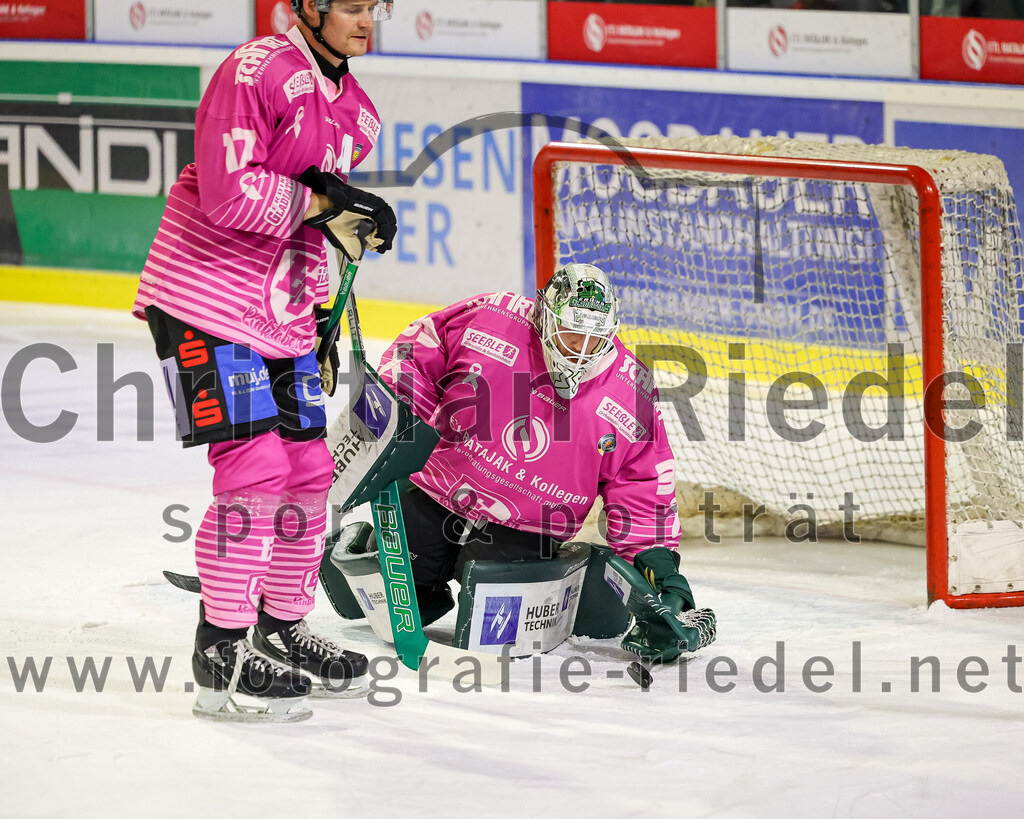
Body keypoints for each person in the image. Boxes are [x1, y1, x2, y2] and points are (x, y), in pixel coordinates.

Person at [133, 0, 398, 722]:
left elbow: (311, 233)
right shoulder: (256, 70)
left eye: (374, 7)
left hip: (278, 317)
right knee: (254, 469)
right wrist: (325, 201)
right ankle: (221, 647)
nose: (366, 19)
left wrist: (320, 317)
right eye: (350, 6)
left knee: (311, 471)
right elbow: (226, 195)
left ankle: (280, 626)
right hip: (201, 299)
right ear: (307, 6)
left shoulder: (360, 113)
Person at [372, 263, 705, 662]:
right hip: (435, 489)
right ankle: (362, 549)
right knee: (402, 597)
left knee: (491, 624)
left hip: (529, 523)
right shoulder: (491, 317)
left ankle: (567, 576)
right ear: (545, 314)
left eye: (593, 338)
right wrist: (403, 424)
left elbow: (640, 484)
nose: (580, 349)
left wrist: (660, 573)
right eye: (570, 333)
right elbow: (417, 355)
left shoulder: (630, 391)